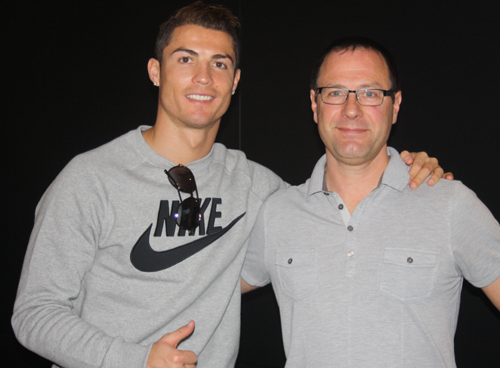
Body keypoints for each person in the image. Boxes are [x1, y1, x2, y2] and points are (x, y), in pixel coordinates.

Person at [12, 3, 448, 368]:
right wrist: (135, 360)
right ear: (155, 71)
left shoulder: (258, 187)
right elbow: (34, 314)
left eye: (219, 63)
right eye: (185, 59)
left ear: (235, 81)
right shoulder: (91, 178)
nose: (204, 78)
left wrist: (411, 168)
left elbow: (333, 204)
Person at [241, 36, 500, 368]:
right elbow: (206, 290)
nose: (352, 110)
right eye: (335, 92)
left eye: (370, 94)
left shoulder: (449, 203)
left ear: (396, 105)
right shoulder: (277, 214)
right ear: (314, 103)